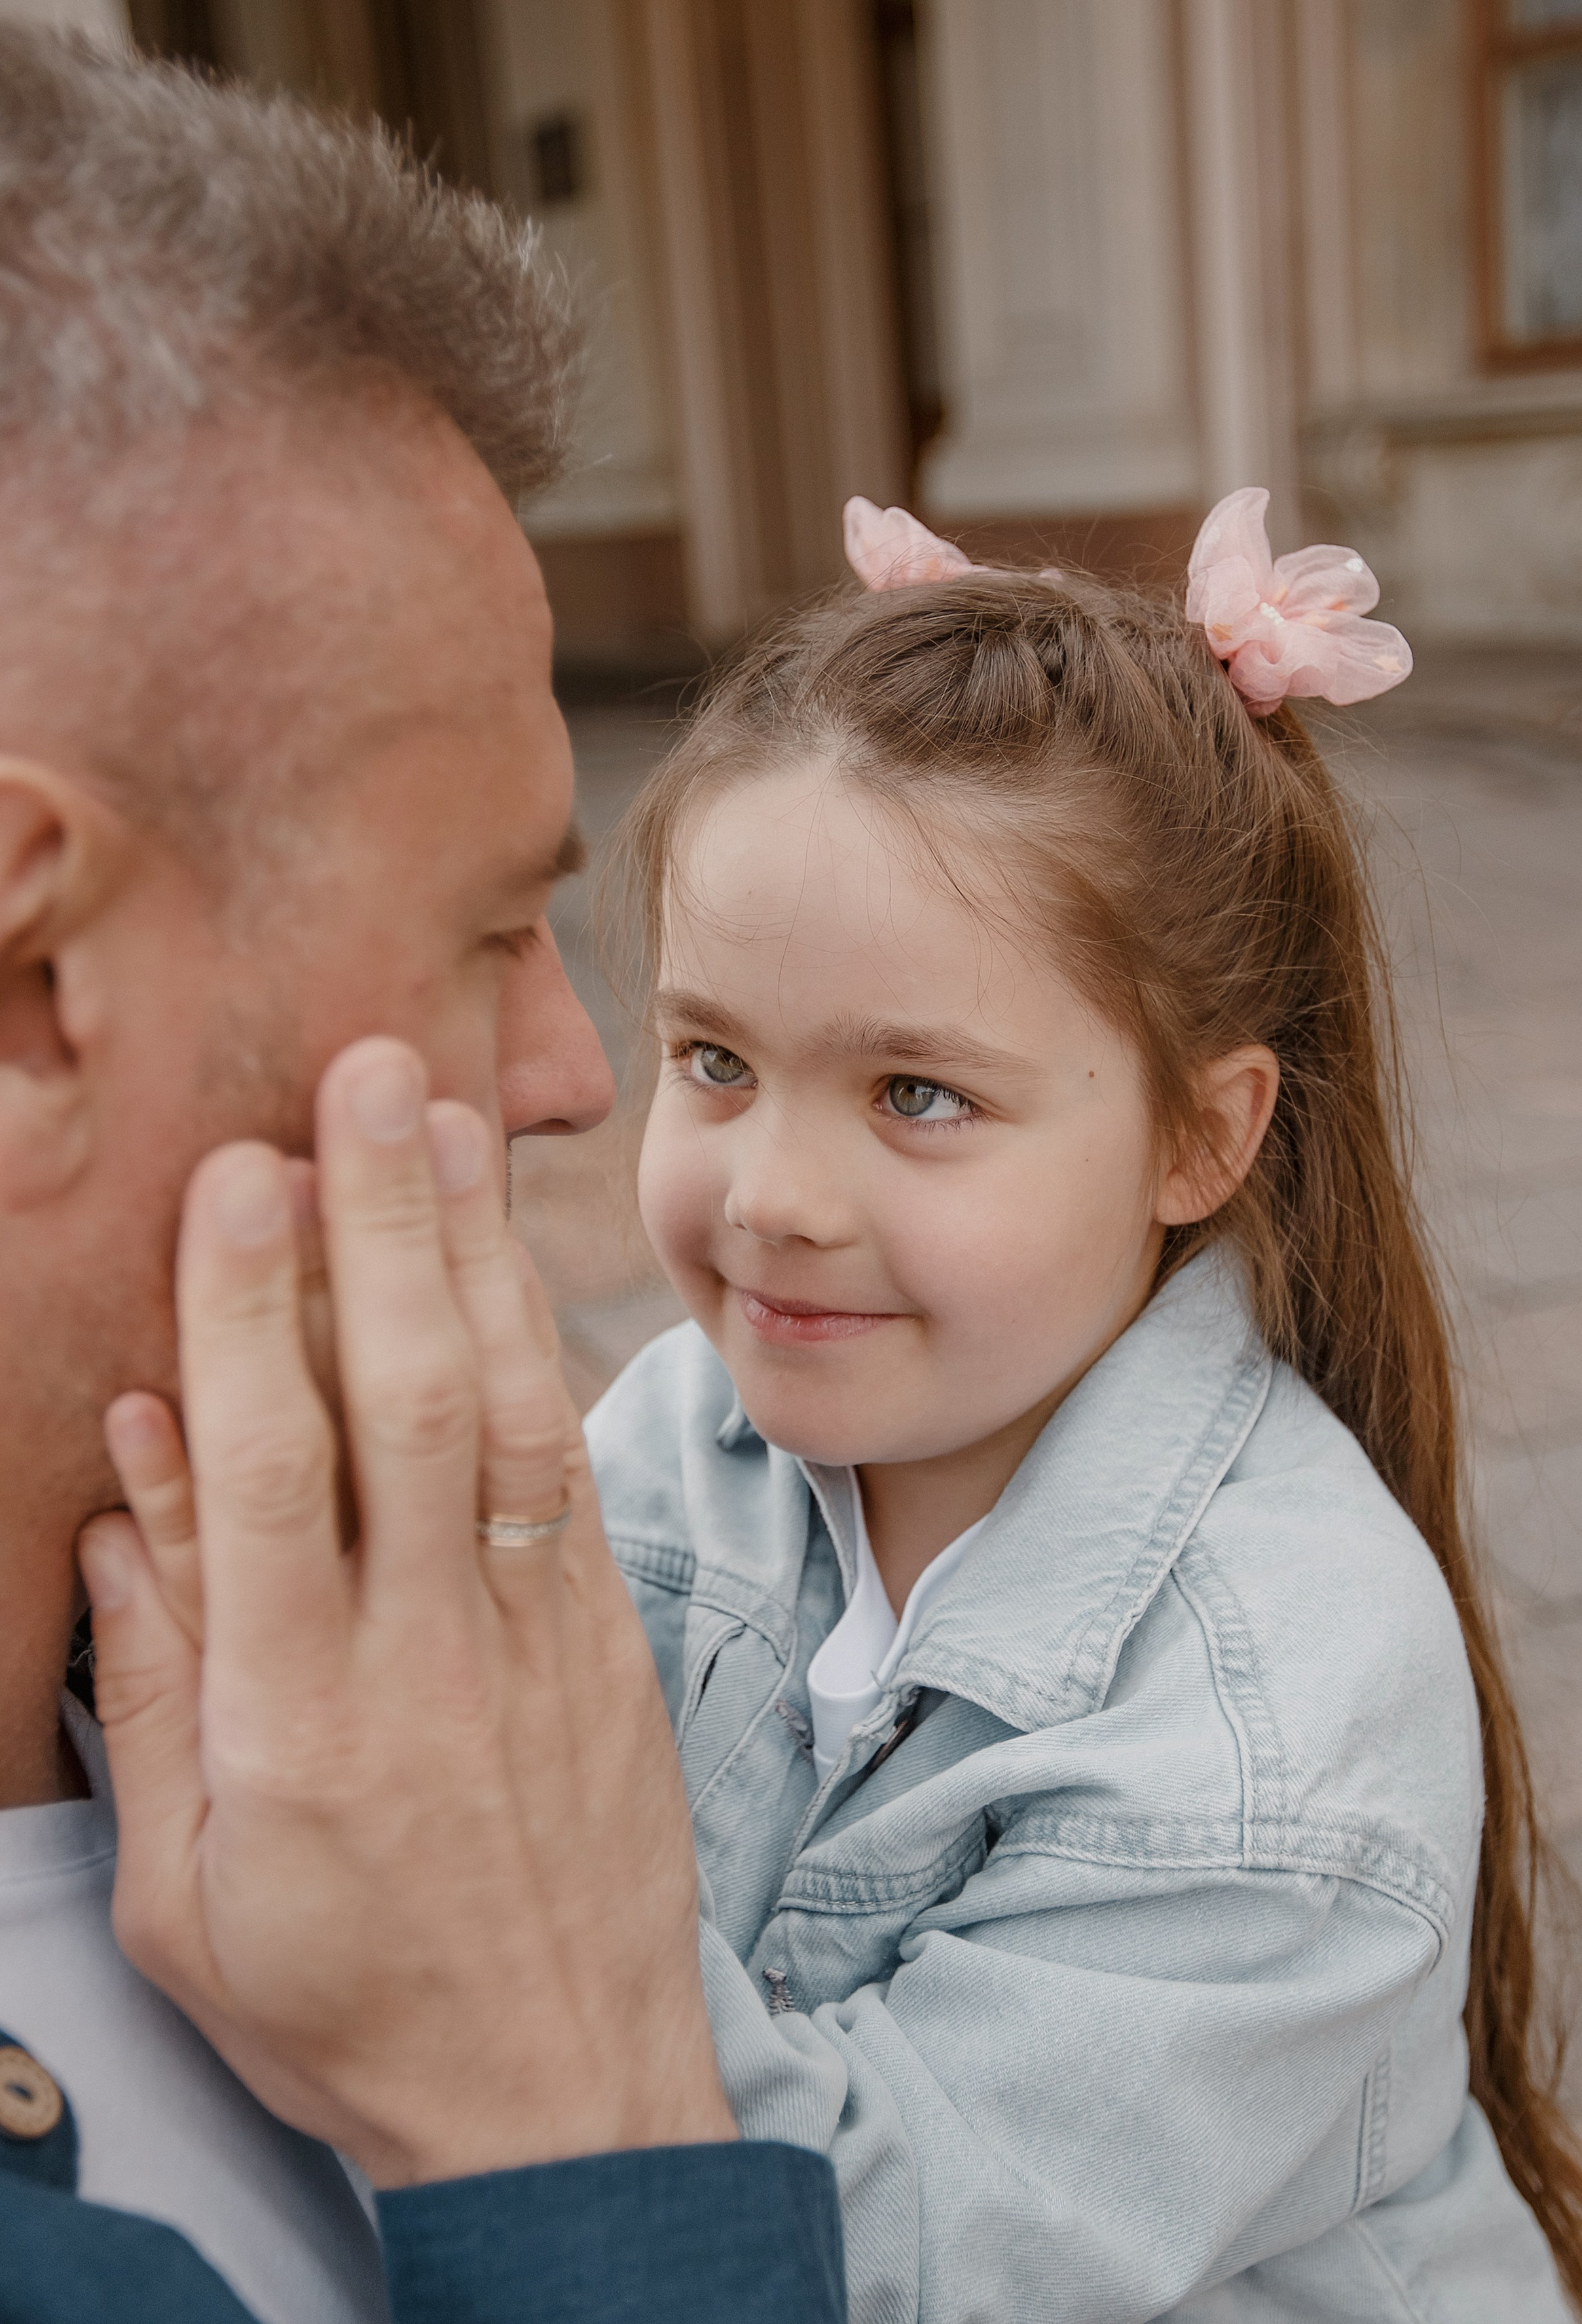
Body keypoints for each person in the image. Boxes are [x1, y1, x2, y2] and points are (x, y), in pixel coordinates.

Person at [0, 19, 843, 2324]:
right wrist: (579, 2132)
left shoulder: (400, 1646)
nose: (568, 1064)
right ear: (18, 985)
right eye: (489, 928)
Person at [583, 488, 1582, 2319]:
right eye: (714, 1058)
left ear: (1204, 1133)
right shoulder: (673, 1439)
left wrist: (465, 1880)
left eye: (917, 1094)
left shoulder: (1288, 1729)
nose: (775, 1192)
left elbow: (865, 2257)